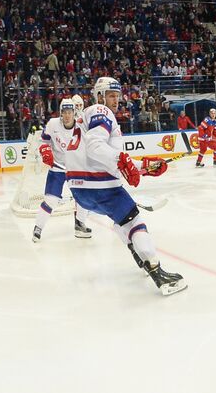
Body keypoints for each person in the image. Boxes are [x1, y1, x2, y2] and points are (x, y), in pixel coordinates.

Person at [65, 77, 184, 295]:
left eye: (117, 96)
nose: (116, 100)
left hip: (81, 191)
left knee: (120, 222)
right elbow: (96, 148)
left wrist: (143, 166)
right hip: (101, 186)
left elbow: (105, 156)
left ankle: (138, 255)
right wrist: (124, 162)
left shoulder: (86, 117)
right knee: (134, 221)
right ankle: (158, 272)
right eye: (111, 95)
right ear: (100, 95)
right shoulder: (101, 110)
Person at [32, 95, 92, 242]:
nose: (67, 115)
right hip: (57, 168)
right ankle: (38, 227)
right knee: (50, 200)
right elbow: (43, 140)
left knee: (84, 199)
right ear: (60, 113)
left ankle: (80, 224)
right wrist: (44, 149)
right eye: (64, 112)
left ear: (74, 112)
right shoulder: (53, 124)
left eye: (69, 112)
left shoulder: (81, 127)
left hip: (75, 169)